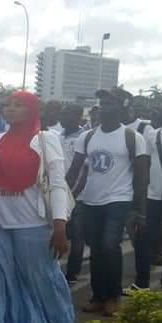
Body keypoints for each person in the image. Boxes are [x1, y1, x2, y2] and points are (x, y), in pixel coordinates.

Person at [0, 91, 75, 323]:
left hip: (32, 223)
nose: (10, 109)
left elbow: (57, 184)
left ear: (32, 110)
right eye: (8, 105)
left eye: (18, 105)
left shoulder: (45, 140)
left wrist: (59, 225)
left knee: (41, 280)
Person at [66, 89, 148, 317]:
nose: (103, 108)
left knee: (110, 246)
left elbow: (141, 176)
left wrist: (140, 211)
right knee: (96, 248)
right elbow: (74, 170)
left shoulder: (133, 138)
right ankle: (98, 296)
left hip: (119, 200)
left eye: (110, 104)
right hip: (91, 201)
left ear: (122, 108)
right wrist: (60, 197)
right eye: (101, 104)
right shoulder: (87, 137)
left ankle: (113, 296)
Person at [131, 96, 162, 294]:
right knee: (143, 239)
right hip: (153, 196)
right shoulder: (152, 135)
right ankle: (141, 283)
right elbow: (145, 164)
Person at [59, 104, 88, 284]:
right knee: (59, 233)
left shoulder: (84, 138)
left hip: (78, 196)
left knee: (77, 237)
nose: (62, 117)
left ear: (78, 116)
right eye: (62, 114)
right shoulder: (57, 136)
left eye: (67, 114)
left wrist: (74, 193)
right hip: (59, 193)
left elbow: (85, 170)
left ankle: (72, 274)